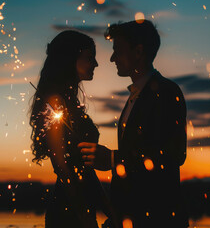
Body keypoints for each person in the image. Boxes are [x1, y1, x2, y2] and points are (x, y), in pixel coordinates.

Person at [78, 20, 189, 228]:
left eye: (117, 50)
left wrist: (112, 159)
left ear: (138, 52)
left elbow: (173, 155)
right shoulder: (135, 97)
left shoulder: (166, 92)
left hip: (158, 219)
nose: (112, 58)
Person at [29, 30, 107, 228]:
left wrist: (107, 208)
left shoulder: (69, 103)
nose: (96, 64)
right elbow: (62, 165)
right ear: (69, 59)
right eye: (90, 58)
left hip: (80, 204)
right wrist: (83, 214)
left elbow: (85, 171)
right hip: (69, 210)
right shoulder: (55, 102)